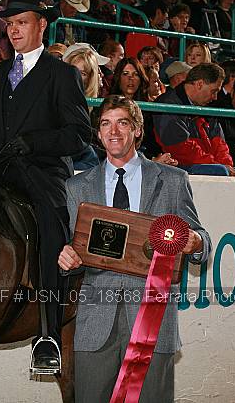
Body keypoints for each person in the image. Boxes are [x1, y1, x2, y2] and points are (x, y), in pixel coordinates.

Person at [58, 95, 211, 403]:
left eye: (122, 123)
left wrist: (195, 242)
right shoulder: (76, 187)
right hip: (95, 322)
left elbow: (202, 240)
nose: (113, 131)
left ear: (138, 130)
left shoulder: (173, 180)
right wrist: (66, 257)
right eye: (106, 124)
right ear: (98, 133)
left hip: (153, 322)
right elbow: (75, 248)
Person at [0, 0, 91, 374]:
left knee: (52, 226)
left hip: (41, 171)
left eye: (22, 22)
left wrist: (33, 143)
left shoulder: (63, 74)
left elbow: (79, 134)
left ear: (41, 25)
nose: (14, 30)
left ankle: (48, 334)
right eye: (10, 24)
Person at [154, 63, 235, 177]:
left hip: (205, 164)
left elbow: (220, 144)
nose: (215, 97)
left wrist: (226, 165)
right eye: (214, 91)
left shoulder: (206, 106)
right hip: (177, 165)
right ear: (199, 84)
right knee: (220, 171)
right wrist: (217, 165)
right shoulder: (168, 105)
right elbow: (181, 149)